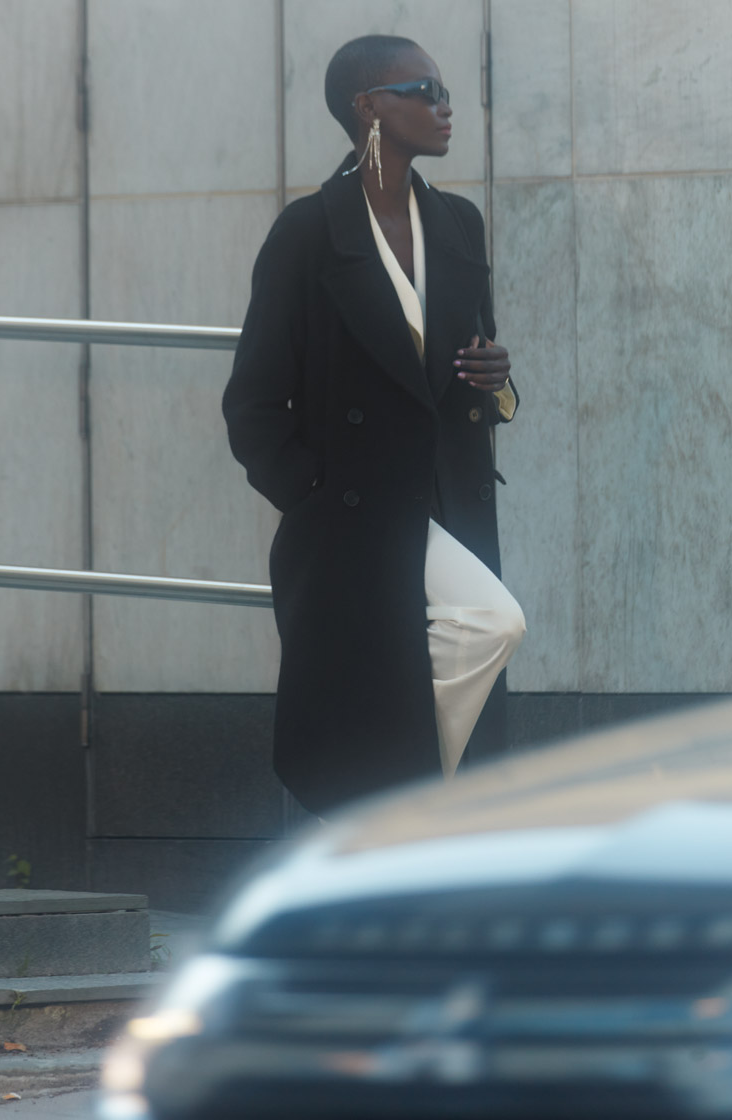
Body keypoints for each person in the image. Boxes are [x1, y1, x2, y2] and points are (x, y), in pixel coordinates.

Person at [223, 34, 525, 816]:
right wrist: (312, 493)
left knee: (458, 652)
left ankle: (400, 823)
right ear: (369, 109)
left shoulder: (458, 223)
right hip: (354, 516)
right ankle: (405, 824)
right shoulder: (308, 232)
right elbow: (252, 401)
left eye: (444, 88)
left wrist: (498, 381)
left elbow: (469, 375)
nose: (444, 104)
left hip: (447, 504)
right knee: (488, 624)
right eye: (423, 89)